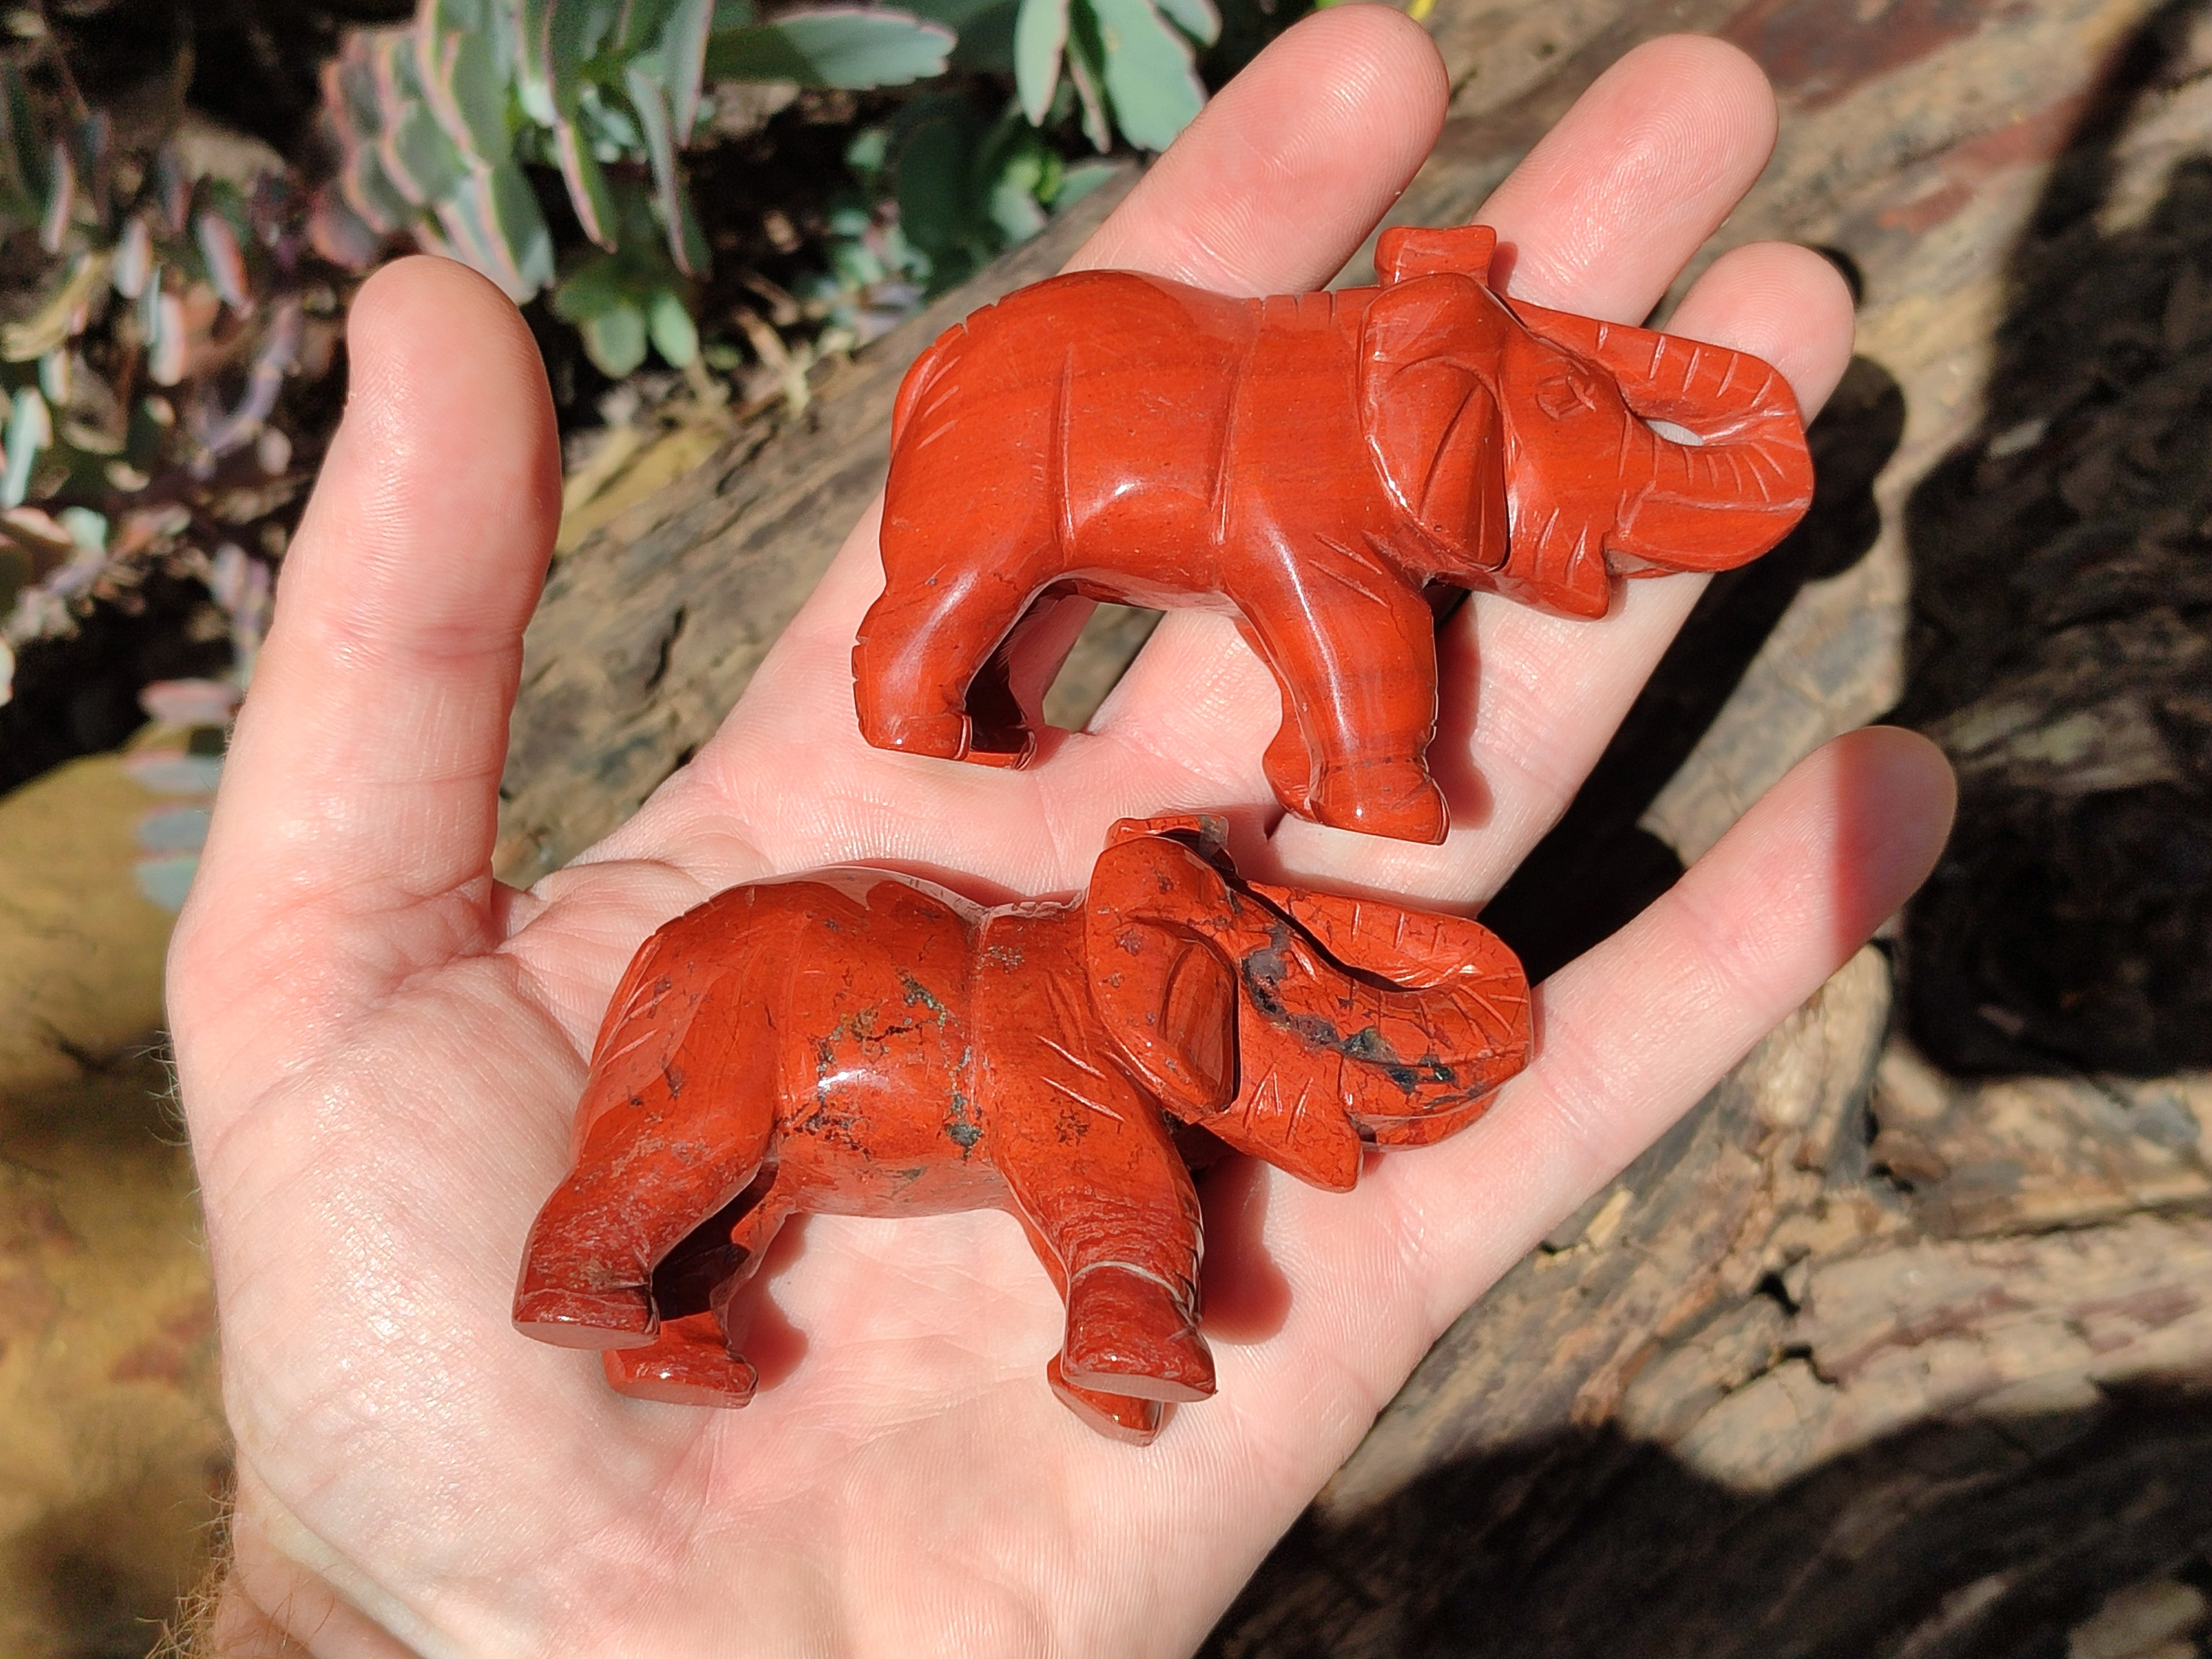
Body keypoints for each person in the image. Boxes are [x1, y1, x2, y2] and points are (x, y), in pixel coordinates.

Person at [166, 9, 1956, 1653]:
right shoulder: (1095, 1038)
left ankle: (655, 1269)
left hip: (863, 985)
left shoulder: (1366, 451)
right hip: (922, 754)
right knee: (727, 1104)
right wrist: (1129, 1299)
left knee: (747, 1156)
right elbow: (1112, 1168)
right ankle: (612, 1227)